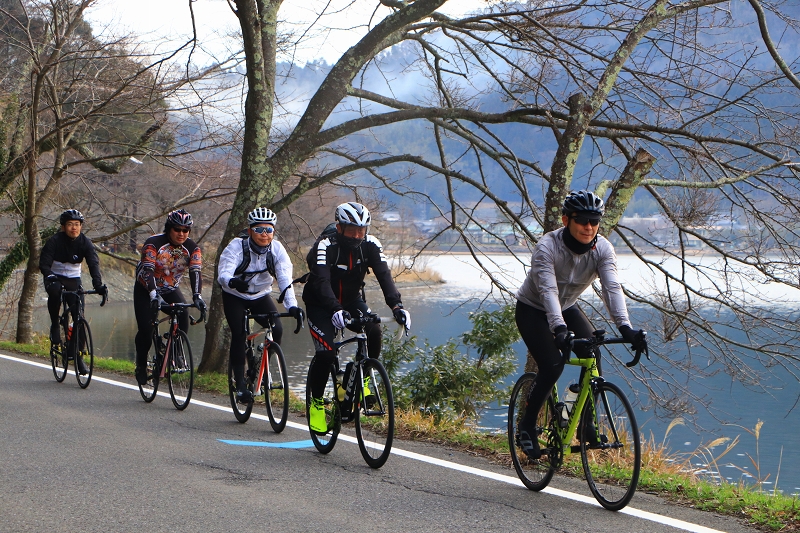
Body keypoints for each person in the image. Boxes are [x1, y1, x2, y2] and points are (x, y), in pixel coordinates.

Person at [514, 190, 647, 459]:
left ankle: (586, 424)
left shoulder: (603, 250)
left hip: (566, 307)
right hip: (533, 309)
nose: (589, 227)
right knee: (552, 365)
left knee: (593, 354)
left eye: (594, 221)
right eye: (582, 220)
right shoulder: (547, 247)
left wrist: (625, 328)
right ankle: (526, 426)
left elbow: (611, 288)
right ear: (566, 220)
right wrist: (559, 329)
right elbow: (548, 291)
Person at [303, 201, 411, 434]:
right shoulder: (325, 245)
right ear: (339, 227)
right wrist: (334, 309)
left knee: (373, 329)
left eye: (362, 230)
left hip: (351, 300)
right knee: (327, 353)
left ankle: (362, 381)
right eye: (351, 230)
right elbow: (321, 281)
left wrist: (397, 306)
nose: (357, 235)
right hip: (320, 303)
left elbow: (384, 276)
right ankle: (317, 403)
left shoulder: (371, 245)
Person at [217, 207, 304, 404]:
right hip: (235, 294)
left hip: (260, 295)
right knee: (239, 333)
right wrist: (231, 281)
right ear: (250, 231)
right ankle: (239, 385)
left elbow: (284, 281)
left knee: (277, 328)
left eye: (269, 230)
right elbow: (224, 273)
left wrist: (292, 307)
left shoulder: (277, 250)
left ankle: (260, 368)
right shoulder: (237, 246)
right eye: (259, 230)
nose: (264, 234)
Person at [133, 209, 205, 385]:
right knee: (146, 329)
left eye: (185, 230)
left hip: (170, 288)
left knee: (182, 316)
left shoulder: (192, 248)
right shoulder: (153, 243)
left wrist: (197, 296)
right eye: (177, 229)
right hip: (146, 288)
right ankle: (141, 365)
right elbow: (147, 271)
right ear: (168, 229)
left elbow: (196, 272)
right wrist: (153, 294)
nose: (181, 234)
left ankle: (174, 353)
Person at [40, 209, 108, 374]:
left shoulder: (85, 242)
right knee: (55, 292)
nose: (74, 228)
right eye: (70, 225)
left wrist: (98, 285)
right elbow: (44, 264)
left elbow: (93, 264)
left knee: (79, 317)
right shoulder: (54, 241)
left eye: (77, 225)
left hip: (73, 280)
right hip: (54, 277)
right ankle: (55, 325)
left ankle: (78, 356)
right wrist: (50, 276)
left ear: (81, 226)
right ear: (63, 227)